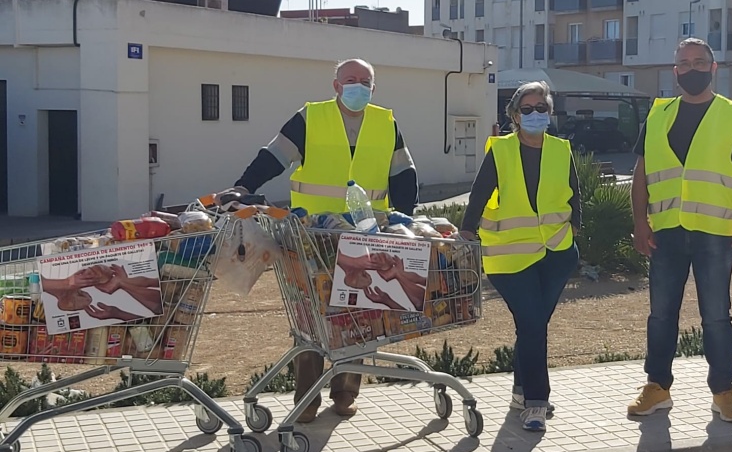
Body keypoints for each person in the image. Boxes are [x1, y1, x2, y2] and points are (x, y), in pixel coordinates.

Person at [221, 58, 418, 422]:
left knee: (359, 314)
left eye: (365, 81)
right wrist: (244, 185)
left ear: (373, 88)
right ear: (336, 85)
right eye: (350, 80)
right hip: (310, 234)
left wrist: (407, 221)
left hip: (365, 235)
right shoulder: (311, 117)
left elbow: (403, 173)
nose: (357, 86)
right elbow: (274, 156)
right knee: (311, 318)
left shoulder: (385, 122)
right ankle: (307, 400)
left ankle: (344, 395)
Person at [628, 38, 732, 423]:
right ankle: (657, 388)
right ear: (674, 71)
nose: (691, 69)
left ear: (714, 67)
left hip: (715, 234)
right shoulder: (657, 115)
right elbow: (642, 173)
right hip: (666, 232)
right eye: (684, 64)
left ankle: (724, 392)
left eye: (699, 62)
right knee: (660, 316)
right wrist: (639, 221)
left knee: (717, 316)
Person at [459, 82, 581, 432]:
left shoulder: (561, 150)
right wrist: (467, 232)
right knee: (532, 325)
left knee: (533, 326)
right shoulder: (501, 151)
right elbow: (479, 195)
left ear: (550, 113)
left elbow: (575, 197)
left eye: (541, 108)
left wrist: (576, 237)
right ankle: (537, 402)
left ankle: (519, 389)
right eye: (527, 109)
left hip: (556, 254)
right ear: (514, 115)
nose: (535, 114)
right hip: (510, 258)